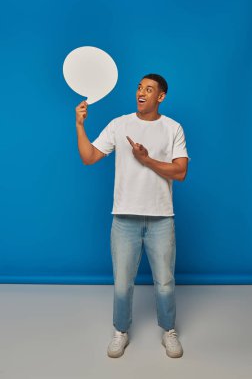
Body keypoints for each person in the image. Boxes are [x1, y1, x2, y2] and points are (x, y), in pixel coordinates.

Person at [75, 73, 189, 359]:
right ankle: (120, 331)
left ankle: (168, 330)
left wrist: (147, 160)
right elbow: (89, 157)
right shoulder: (119, 124)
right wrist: (79, 124)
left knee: (164, 281)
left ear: (160, 97)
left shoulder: (173, 128)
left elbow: (181, 172)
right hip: (124, 218)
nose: (141, 92)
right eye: (139, 87)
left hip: (161, 218)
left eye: (149, 89)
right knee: (122, 281)